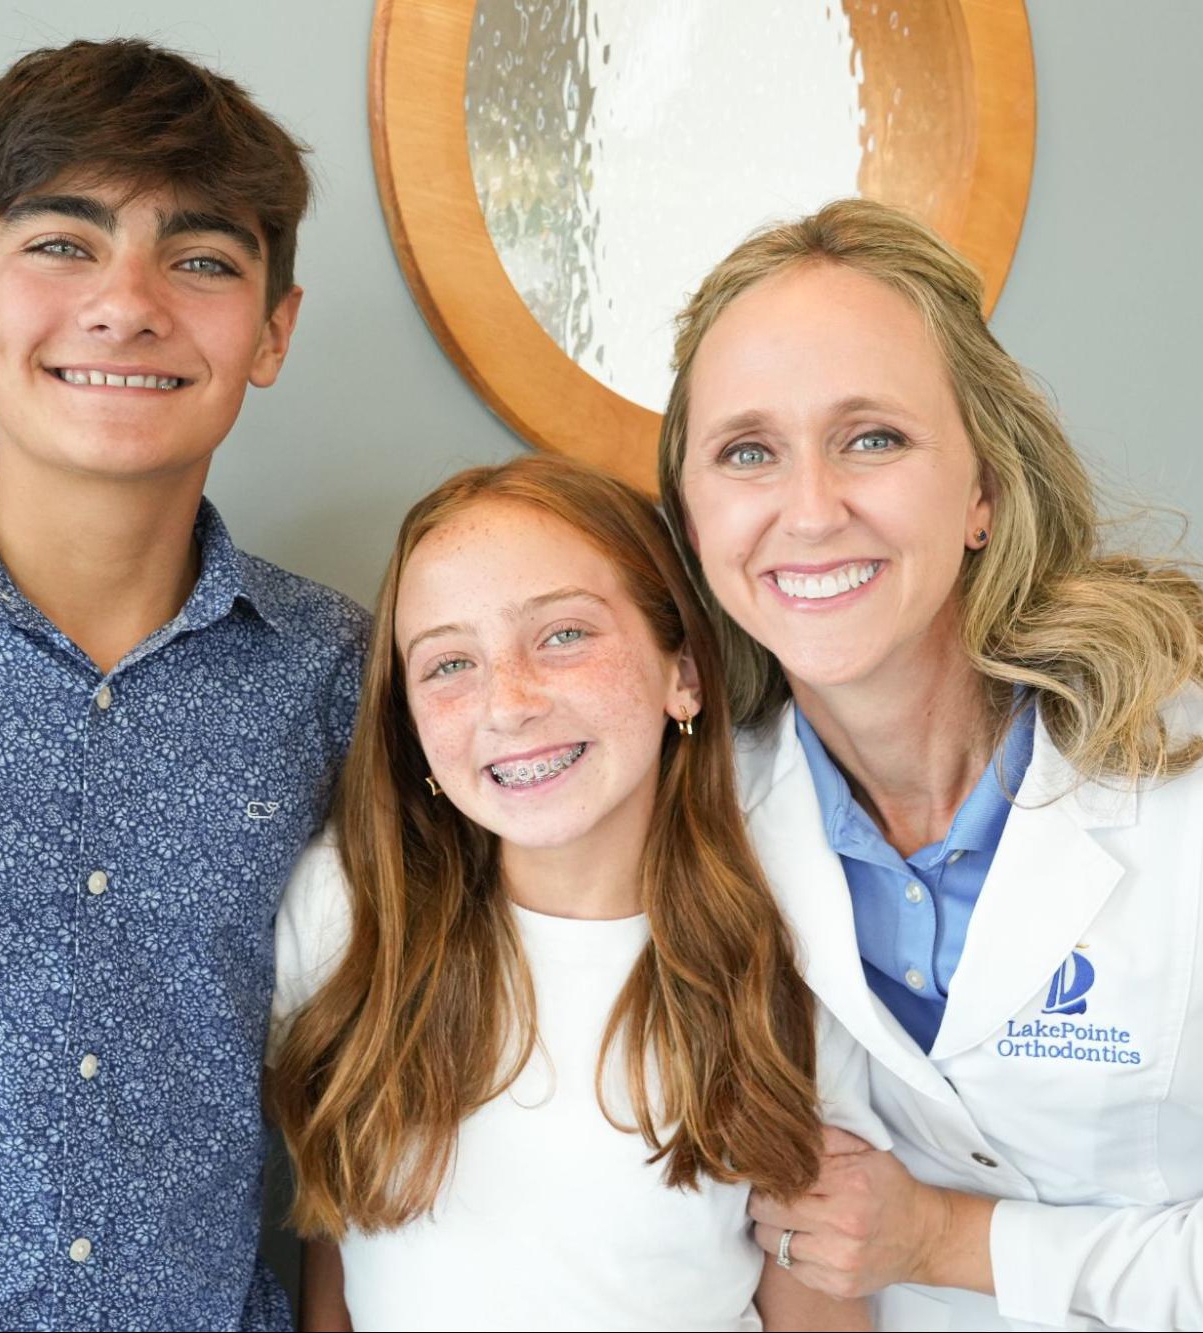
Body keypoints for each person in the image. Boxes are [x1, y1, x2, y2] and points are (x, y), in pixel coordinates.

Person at [0, 40, 368, 1331]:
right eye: (61, 244)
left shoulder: (344, 678)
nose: (129, 302)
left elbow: (402, 1074)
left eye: (200, 260)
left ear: (273, 331)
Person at [657, 197, 1203, 1330]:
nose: (808, 512)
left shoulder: (1180, 776)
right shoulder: (690, 823)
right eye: (746, 452)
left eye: (873, 438)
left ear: (983, 492)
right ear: (693, 516)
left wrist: (948, 1239)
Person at [266, 455, 882, 1331]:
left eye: (562, 635)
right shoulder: (350, 913)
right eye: (448, 664)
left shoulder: (789, 944)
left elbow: (820, 1290)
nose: (507, 704)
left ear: (684, 673)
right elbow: (336, 1238)